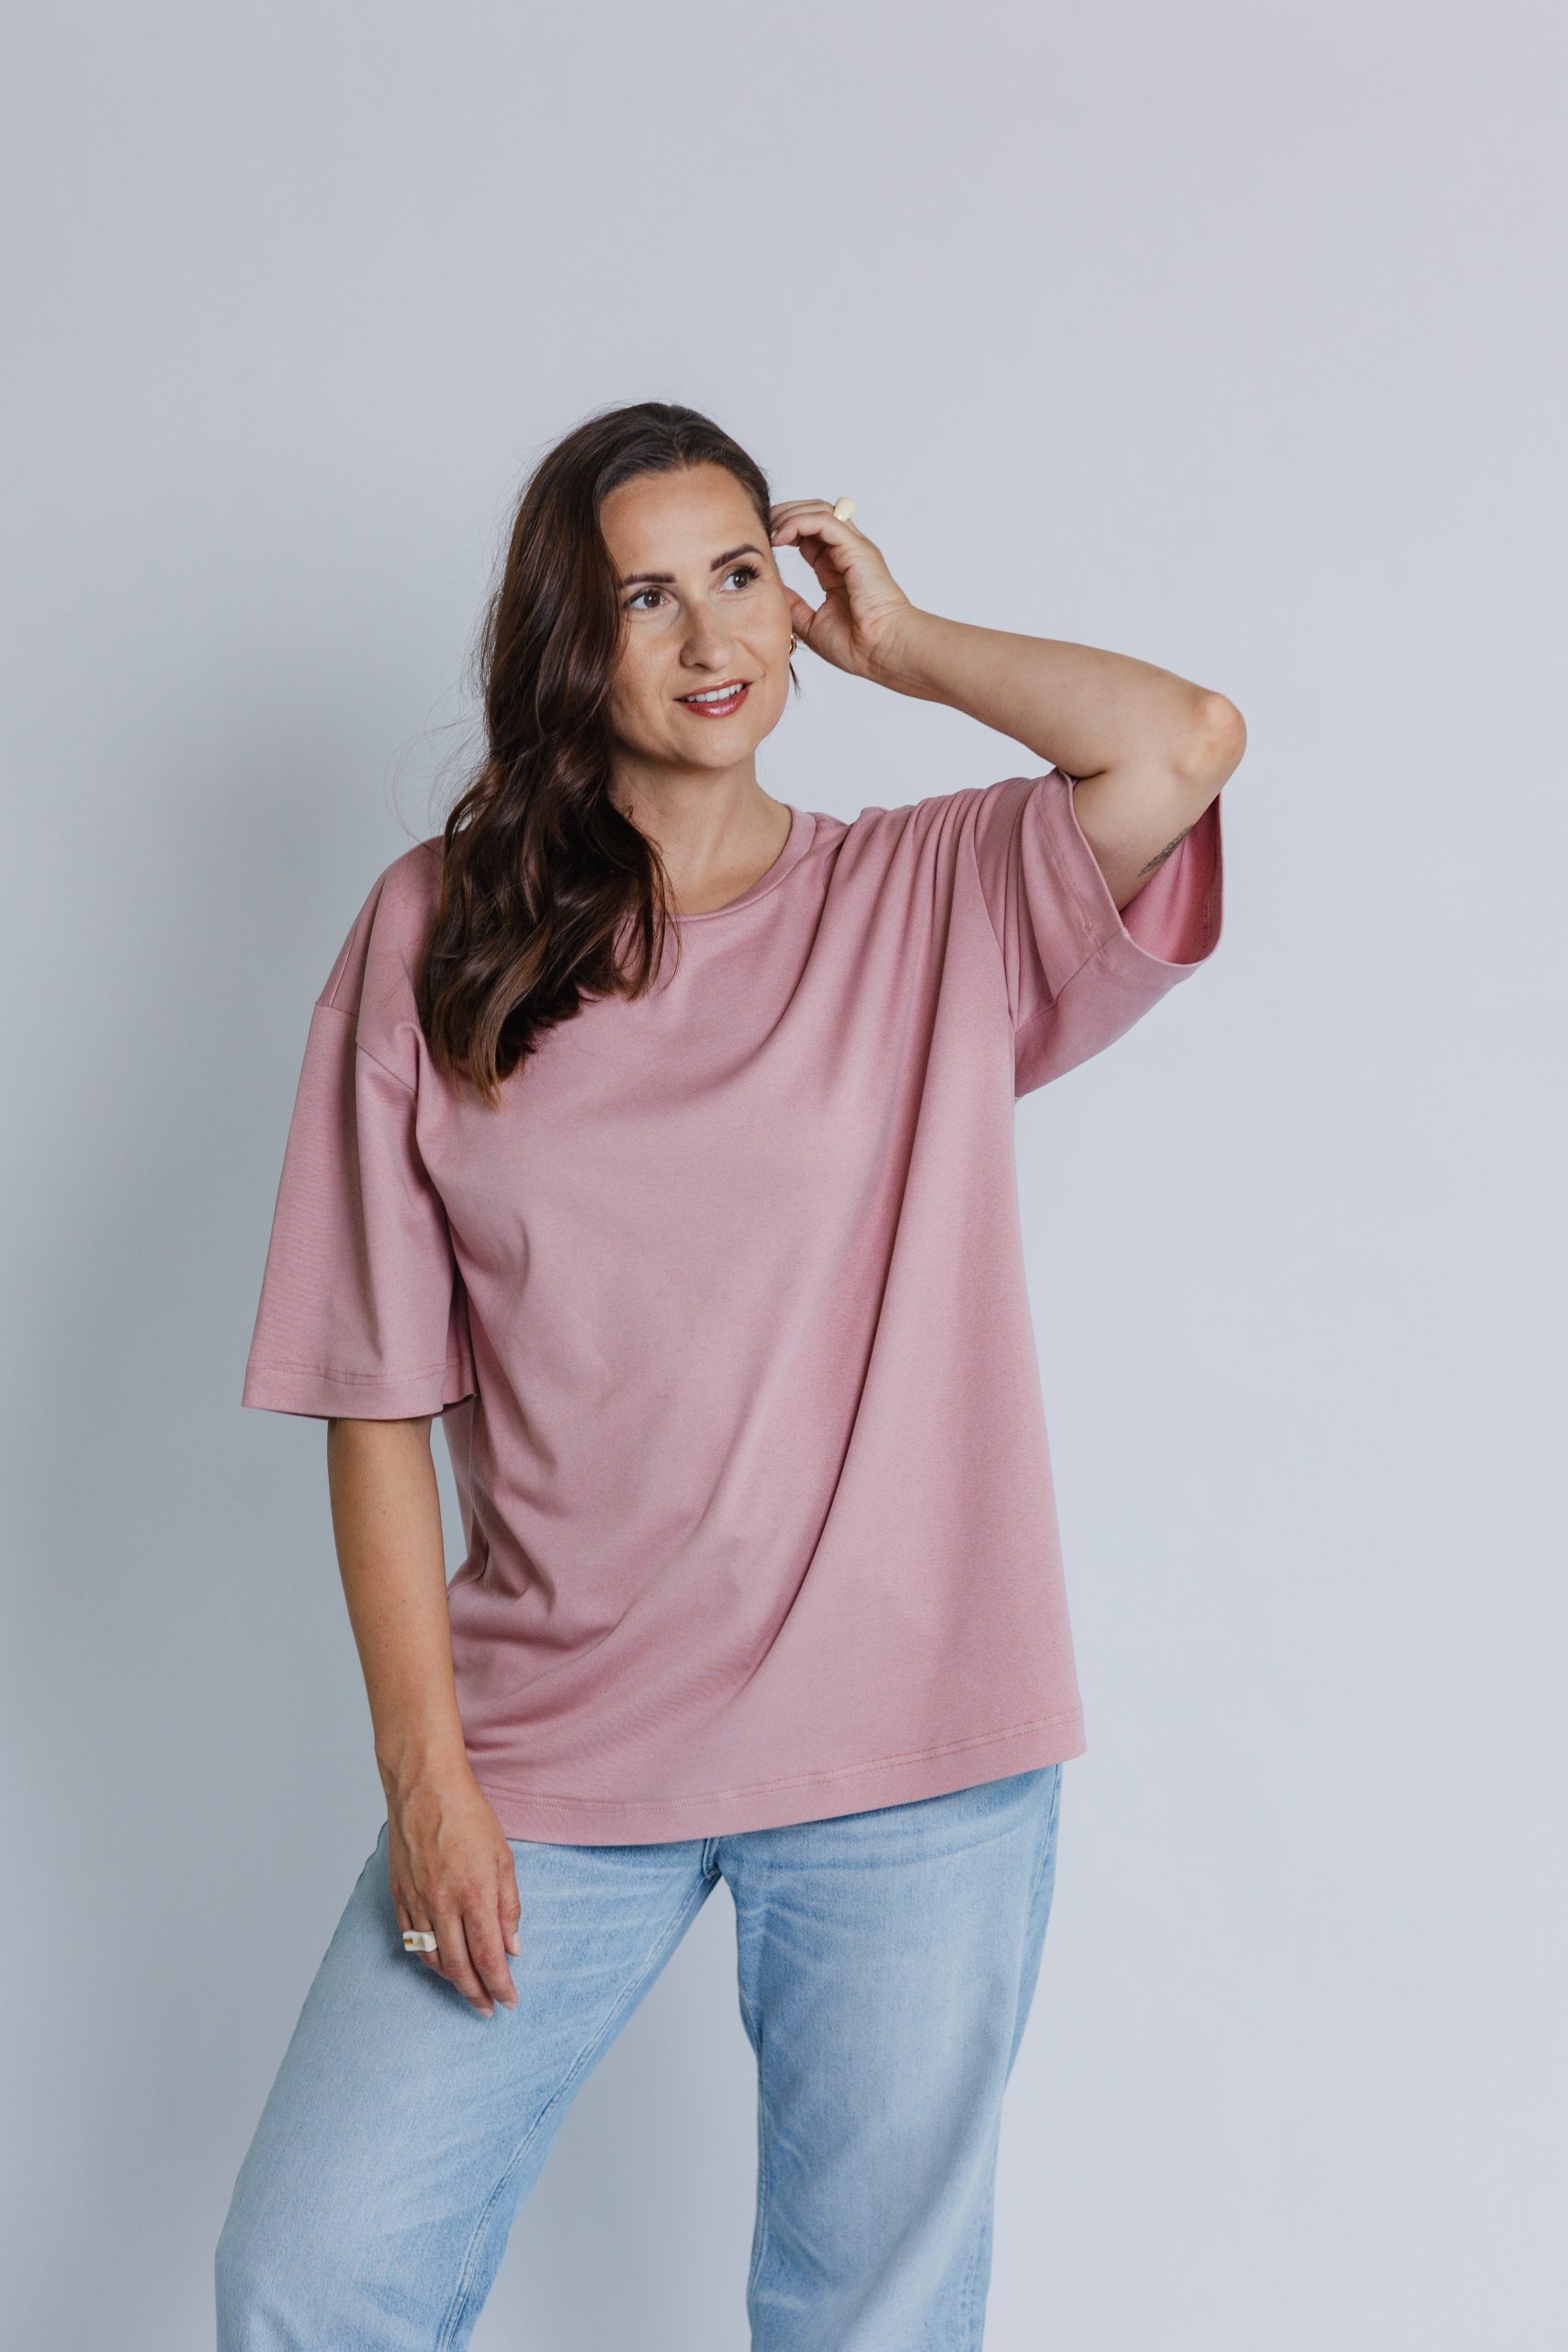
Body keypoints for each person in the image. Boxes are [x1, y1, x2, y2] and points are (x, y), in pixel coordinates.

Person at [215, 399, 1241, 2350]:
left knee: (870, 2319)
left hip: (906, 1743)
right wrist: (427, 1780)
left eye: (742, 576)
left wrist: (908, 644)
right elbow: (373, 1398)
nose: (711, 637)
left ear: (797, 595)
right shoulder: (441, 933)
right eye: (646, 598)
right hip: (551, 1746)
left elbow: (1181, 739)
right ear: (567, 643)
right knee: (312, 2274)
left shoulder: (927, 899)